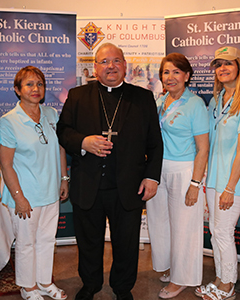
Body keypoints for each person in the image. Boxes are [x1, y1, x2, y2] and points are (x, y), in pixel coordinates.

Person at [57, 42, 163, 300]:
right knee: (89, 242)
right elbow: (63, 131)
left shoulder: (142, 97)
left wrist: (151, 177)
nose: (111, 66)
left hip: (127, 186)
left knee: (126, 243)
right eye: (104, 61)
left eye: (116, 60)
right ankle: (90, 284)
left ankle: (122, 287)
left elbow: (155, 142)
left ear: (125, 66)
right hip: (88, 184)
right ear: (95, 68)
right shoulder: (78, 95)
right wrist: (83, 142)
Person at [0, 66, 68, 300]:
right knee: (26, 243)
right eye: (29, 84)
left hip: (50, 192)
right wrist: (18, 197)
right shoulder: (9, 122)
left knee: (48, 240)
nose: (35, 89)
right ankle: (28, 287)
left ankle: (45, 282)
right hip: (25, 196)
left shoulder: (51, 114)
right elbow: (6, 163)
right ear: (17, 90)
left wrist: (64, 178)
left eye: (39, 84)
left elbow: (59, 148)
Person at [196, 46, 240, 300]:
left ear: (239, 68)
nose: (223, 68)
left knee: (223, 233)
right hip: (213, 179)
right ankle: (219, 278)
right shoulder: (216, 99)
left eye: (228, 63)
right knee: (215, 230)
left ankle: (228, 285)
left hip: (232, 181)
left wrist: (230, 187)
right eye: (219, 64)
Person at [146, 53, 209, 299]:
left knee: (184, 227)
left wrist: (195, 183)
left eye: (175, 72)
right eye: (166, 72)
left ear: (187, 76)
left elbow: (203, 147)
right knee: (160, 223)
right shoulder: (161, 101)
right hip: (159, 170)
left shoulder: (195, 104)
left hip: (185, 171)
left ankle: (182, 278)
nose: (170, 77)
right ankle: (172, 265)